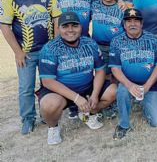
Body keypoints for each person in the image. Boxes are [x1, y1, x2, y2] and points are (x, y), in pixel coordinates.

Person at [0, 0, 61, 134]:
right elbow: (5, 27)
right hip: (25, 53)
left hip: (47, 50)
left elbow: (56, 20)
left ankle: (46, 113)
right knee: (26, 87)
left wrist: (54, 46)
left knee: (48, 84)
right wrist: (18, 52)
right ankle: (28, 119)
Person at [38, 11, 116, 145]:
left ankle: (88, 114)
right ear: (59, 28)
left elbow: (100, 70)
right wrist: (76, 98)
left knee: (114, 91)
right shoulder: (50, 48)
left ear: (81, 27)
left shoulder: (90, 44)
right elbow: (47, 81)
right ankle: (53, 127)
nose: (70, 30)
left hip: (86, 86)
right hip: (60, 91)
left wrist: (95, 95)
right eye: (65, 26)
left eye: (74, 26)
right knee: (49, 104)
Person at [109, 8, 157, 140]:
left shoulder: (152, 39)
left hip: (150, 85)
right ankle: (124, 125)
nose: (132, 24)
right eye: (129, 21)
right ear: (124, 24)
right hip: (128, 83)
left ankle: (145, 103)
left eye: (136, 20)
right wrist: (129, 86)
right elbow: (115, 68)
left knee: (156, 122)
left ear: (142, 23)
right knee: (122, 92)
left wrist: (146, 86)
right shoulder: (117, 41)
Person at [91, 0, 124, 118]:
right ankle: (105, 101)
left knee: (116, 73)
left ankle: (116, 100)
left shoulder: (122, 7)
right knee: (102, 74)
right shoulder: (94, 5)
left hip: (116, 46)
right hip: (99, 44)